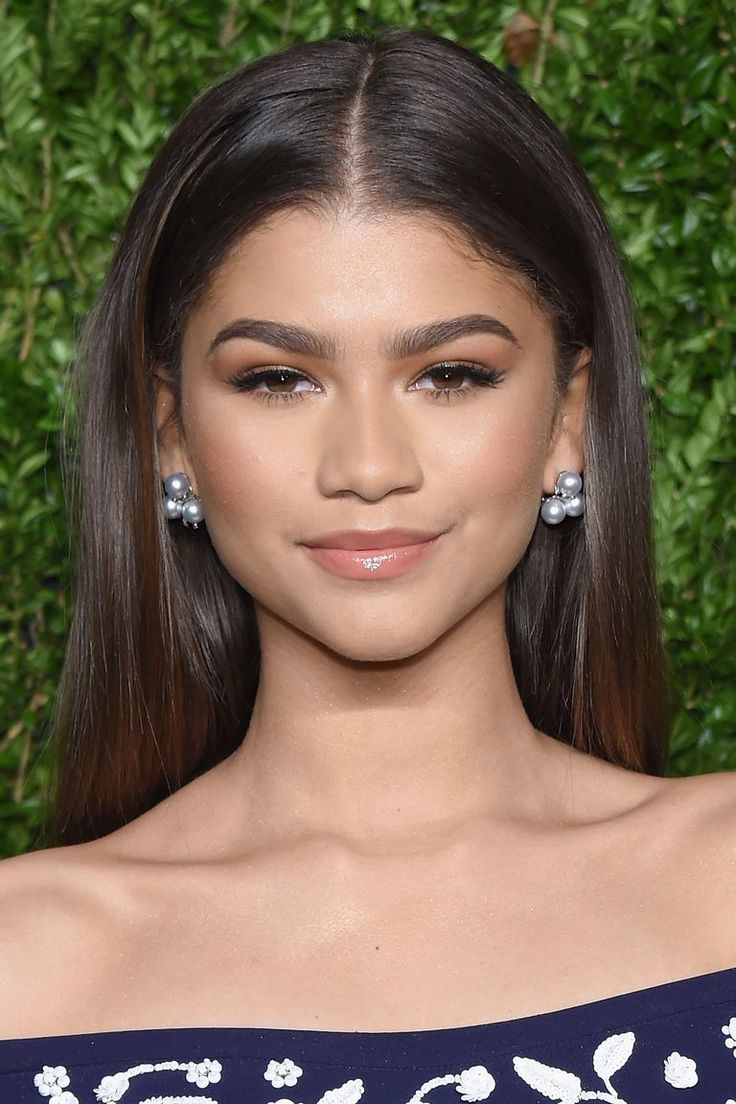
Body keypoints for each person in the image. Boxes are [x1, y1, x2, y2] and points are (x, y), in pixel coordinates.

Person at [0, 24, 734, 1104]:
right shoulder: (27, 967)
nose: (367, 467)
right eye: (275, 380)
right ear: (170, 434)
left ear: (568, 418)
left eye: (448, 374)